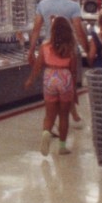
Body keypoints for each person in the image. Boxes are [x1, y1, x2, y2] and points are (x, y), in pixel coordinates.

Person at [30, 0, 92, 123]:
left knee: (51, 83)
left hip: (49, 49)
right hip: (68, 48)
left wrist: (31, 50)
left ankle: (53, 119)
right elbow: (78, 29)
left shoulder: (43, 4)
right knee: (68, 83)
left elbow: (36, 28)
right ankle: (73, 116)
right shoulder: (73, 6)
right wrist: (87, 50)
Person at [25, 15, 80, 156]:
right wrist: (74, 91)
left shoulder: (45, 46)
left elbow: (37, 67)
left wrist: (30, 80)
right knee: (63, 115)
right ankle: (62, 146)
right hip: (65, 78)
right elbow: (73, 71)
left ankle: (46, 133)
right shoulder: (71, 48)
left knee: (49, 115)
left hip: (50, 77)